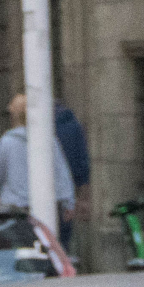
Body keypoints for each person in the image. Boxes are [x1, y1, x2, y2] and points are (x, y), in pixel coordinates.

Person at [0, 93, 73, 224]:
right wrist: (68, 202)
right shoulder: (48, 139)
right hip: (43, 206)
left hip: (14, 207)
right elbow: (60, 170)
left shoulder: (6, 142)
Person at [52, 101, 90, 251]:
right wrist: (83, 195)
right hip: (66, 192)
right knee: (63, 242)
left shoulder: (38, 129)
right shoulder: (72, 124)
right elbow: (82, 161)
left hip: (44, 193)